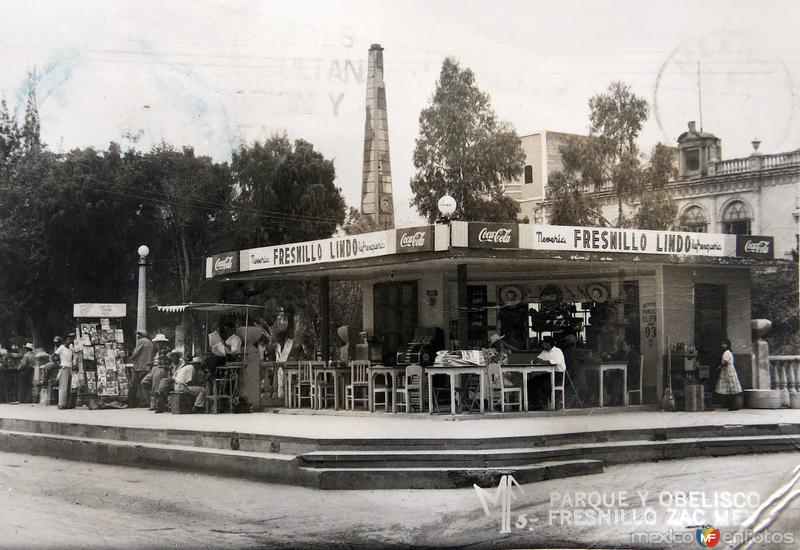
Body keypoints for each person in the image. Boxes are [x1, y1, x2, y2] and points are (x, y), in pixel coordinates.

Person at [529, 336, 567, 409]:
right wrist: (535, 361)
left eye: (544, 343)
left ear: (548, 344)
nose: (542, 345)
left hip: (558, 374)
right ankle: (536, 404)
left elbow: (555, 362)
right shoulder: (544, 352)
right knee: (532, 382)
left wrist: (543, 361)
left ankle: (552, 403)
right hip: (548, 374)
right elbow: (535, 360)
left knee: (545, 385)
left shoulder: (558, 351)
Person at [715, 338, 742, 410]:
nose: (723, 345)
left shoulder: (727, 352)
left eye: (724, 344)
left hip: (728, 371)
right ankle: (731, 405)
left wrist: (719, 367)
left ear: (728, 345)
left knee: (730, 388)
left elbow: (725, 362)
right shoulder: (728, 352)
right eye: (722, 344)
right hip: (727, 370)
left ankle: (733, 405)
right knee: (729, 389)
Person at [129, 330, 154, 407]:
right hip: (147, 366)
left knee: (135, 385)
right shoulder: (150, 343)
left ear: (142, 335)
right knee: (144, 384)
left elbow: (136, 352)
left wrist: (131, 357)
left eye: (139, 334)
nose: (138, 336)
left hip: (139, 366)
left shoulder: (141, 341)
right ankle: (146, 401)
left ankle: (137, 402)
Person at [55, 336, 75, 409]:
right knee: (63, 386)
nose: (70, 341)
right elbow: (54, 356)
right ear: (65, 341)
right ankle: (61, 404)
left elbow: (73, 356)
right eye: (69, 340)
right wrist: (59, 365)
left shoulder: (70, 349)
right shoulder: (61, 348)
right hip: (64, 367)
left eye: (71, 340)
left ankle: (66, 403)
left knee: (68, 386)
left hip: (70, 367)